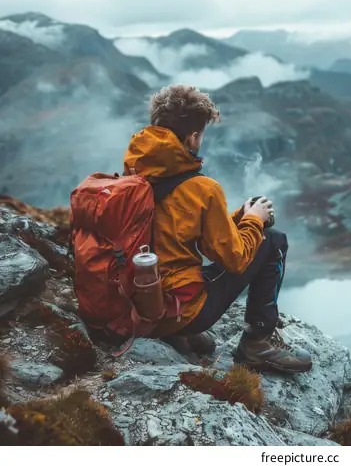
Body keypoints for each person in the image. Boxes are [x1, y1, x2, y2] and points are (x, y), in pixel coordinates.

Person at [122, 84, 312, 373]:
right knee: (273, 240)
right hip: (180, 309)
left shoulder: (134, 171)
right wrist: (255, 220)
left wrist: (240, 215)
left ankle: (174, 331)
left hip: (139, 302)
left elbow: (179, 226)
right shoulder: (202, 189)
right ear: (193, 136)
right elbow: (234, 259)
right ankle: (257, 342)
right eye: (201, 134)